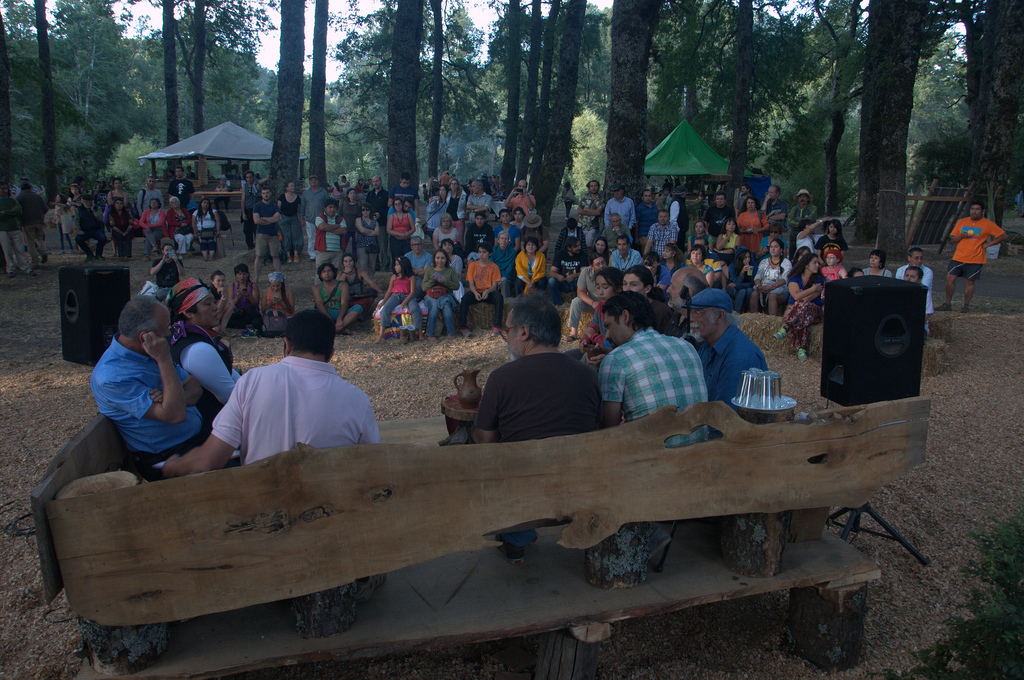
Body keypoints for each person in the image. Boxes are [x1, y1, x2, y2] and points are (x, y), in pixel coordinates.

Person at [162, 309, 379, 476]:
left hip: (262, 518)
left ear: (287, 345)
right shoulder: (358, 400)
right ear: (331, 354)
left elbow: (208, 461)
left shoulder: (252, 381)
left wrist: (175, 466)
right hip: (328, 519)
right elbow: (371, 469)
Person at [474, 295, 602, 563]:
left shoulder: (502, 378)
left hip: (525, 487)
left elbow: (485, 441)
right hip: (580, 484)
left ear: (524, 332)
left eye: (507, 331)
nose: (507, 338)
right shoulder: (588, 375)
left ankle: (515, 539)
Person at [90, 296, 204, 482]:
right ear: (145, 337)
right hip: (167, 458)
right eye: (164, 329)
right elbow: (175, 415)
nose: (168, 333)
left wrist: (175, 396)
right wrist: (164, 359)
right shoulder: (112, 377)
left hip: (194, 440)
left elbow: (194, 385)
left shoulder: (145, 351)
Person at [598, 291, 707, 448]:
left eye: (609, 326)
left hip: (651, 463)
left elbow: (609, 432)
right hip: (700, 455)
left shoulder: (616, 360)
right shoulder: (687, 347)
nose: (607, 335)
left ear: (625, 317)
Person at [167, 278, 240, 426]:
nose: (215, 308)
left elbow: (232, 376)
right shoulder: (197, 349)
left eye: (214, 302)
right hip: (210, 431)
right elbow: (231, 397)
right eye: (208, 303)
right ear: (188, 312)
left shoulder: (180, 337)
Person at [688, 288, 767, 408]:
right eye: (692, 312)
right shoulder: (708, 345)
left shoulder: (739, 357)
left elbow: (725, 417)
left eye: (698, 312)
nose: (691, 319)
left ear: (720, 316)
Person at [937, 200, 1006, 313]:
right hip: (959, 257)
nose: (974, 211)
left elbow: (1003, 235)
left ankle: (965, 305)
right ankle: (947, 304)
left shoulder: (987, 224)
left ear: (982, 211)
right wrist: (961, 235)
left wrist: (988, 244)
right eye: (972, 209)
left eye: (977, 209)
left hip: (975, 258)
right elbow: (953, 239)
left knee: (970, 282)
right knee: (950, 278)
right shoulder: (962, 222)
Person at [773, 252, 824, 361]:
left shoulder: (818, 279)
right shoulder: (794, 278)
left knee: (802, 306)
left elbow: (808, 299)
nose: (818, 265)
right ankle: (801, 348)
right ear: (806, 265)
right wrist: (812, 289)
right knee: (801, 318)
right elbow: (796, 295)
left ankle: (787, 327)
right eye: (815, 263)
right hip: (801, 311)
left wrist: (795, 306)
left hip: (814, 310)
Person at [459, 243, 504, 337]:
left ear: (490, 253)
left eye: (484, 252)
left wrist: (487, 291)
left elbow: (494, 285)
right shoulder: (472, 266)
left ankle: (497, 326)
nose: (481, 254)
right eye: (479, 252)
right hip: (476, 291)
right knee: (464, 299)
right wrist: (475, 293)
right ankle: (463, 327)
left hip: (489, 292)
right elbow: (471, 284)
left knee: (499, 298)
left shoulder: (494, 267)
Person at [377, 256, 420, 343]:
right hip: (395, 295)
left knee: (415, 309)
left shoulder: (411, 277)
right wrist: (384, 302)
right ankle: (381, 334)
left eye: (397, 265)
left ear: (403, 266)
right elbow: (389, 291)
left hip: (407, 296)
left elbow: (412, 292)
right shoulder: (394, 277)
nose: (395, 267)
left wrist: (405, 302)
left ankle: (419, 333)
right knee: (386, 309)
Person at [566, 252, 607, 342]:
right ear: (592, 266)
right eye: (598, 264)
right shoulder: (586, 272)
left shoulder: (610, 272)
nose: (601, 266)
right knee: (576, 301)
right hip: (593, 302)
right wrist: (592, 303)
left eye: (603, 262)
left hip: (607, 303)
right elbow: (580, 292)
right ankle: (573, 333)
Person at [422, 248, 460, 340]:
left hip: (445, 294)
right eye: (438, 258)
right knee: (434, 306)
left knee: (446, 304)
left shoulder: (450, 270)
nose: (440, 261)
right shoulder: (430, 270)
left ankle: (451, 332)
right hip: (431, 295)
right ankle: (430, 334)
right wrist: (432, 280)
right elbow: (423, 287)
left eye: (442, 258)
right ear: (434, 259)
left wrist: (445, 281)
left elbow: (456, 286)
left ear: (446, 259)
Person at [623, 265, 672, 334]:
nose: (627, 289)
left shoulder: (660, 311)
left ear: (647, 288)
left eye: (633, 284)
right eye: (625, 284)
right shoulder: (624, 308)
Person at [0, 182, 33, 277]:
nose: (4, 191)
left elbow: (19, 211)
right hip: (3, 229)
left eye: (5, 189)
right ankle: (10, 268)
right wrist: (11, 212)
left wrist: (4, 212)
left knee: (20, 249)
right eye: (2, 189)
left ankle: (26, 267)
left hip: (15, 228)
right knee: (7, 250)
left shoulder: (12, 201)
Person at [16, 180, 48, 267]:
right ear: (30, 188)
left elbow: (17, 211)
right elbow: (45, 209)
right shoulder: (37, 196)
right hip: (39, 221)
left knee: (30, 242)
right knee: (40, 238)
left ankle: (35, 261)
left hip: (27, 223)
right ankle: (43, 252)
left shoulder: (19, 198)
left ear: (21, 189)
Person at [253, 186, 282, 280]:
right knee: (259, 255)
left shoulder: (274, 206)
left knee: (275, 255)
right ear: (261, 194)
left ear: (270, 193)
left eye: (267, 192)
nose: (266, 195)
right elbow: (256, 220)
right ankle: (256, 277)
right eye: (264, 193)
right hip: (261, 233)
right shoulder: (257, 206)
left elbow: (277, 218)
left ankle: (279, 276)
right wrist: (271, 220)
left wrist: (264, 218)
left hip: (273, 233)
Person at [895, 247, 934, 315]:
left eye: (921, 258)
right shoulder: (900, 270)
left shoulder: (928, 271)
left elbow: (921, 287)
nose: (919, 261)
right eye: (916, 258)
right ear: (909, 258)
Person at [548, 236, 584, 307]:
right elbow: (552, 272)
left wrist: (574, 276)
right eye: (576, 246)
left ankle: (577, 305)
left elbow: (584, 272)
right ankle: (558, 306)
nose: (579, 248)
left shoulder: (583, 254)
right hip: (563, 282)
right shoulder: (560, 254)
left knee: (582, 280)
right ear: (569, 248)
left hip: (576, 282)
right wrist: (558, 276)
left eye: (579, 245)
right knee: (551, 281)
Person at [300, 175, 329, 262]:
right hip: (309, 218)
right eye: (311, 180)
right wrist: (302, 218)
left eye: (315, 180)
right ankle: (312, 255)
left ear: (318, 181)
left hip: (321, 218)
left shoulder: (323, 192)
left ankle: (321, 252)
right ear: (309, 182)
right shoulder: (306, 193)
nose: (313, 181)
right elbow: (303, 206)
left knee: (321, 236)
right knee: (311, 237)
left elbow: (327, 204)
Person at [226, 263, 262, 332]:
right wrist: (238, 297)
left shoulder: (253, 285)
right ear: (236, 275)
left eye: (244, 274)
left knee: (256, 318)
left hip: (250, 312)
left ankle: (241, 325)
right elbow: (230, 304)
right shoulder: (232, 286)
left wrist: (248, 295)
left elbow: (256, 303)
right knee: (227, 319)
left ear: (247, 274)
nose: (242, 277)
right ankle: (245, 326)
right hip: (238, 313)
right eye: (239, 274)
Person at [75, 193, 107, 261]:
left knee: (103, 238)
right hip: (85, 230)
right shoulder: (79, 209)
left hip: (96, 229)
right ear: (82, 201)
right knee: (78, 239)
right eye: (86, 201)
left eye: (89, 201)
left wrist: (93, 211)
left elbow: (100, 218)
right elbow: (77, 220)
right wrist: (78, 229)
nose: (88, 203)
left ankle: (98, 255)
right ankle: (89, 254)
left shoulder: (97, 208)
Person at [278, 181, 303, 263]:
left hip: (294, 218)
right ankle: (288, 255)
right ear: (287, 187)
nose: (292, 187)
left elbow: (298, 209)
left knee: (296, 235)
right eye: (291, 186)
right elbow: (278, 208)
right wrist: (279, 215)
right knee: (286, 236)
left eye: (293, 186)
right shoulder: (282, 197)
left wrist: (301, 218)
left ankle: (296, 254)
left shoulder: (297, 198)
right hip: (284, 218)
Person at [762, 185, 790, 257]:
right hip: (766, 231)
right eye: (769, 192)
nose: (769, 194)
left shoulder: (782, 204)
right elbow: (762, 214)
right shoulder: (765, 202)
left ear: (777, 194)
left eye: (772, 192)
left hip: (777, 230)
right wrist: (765, 201)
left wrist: (769, 217)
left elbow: (782, 216)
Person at [577, 180, 605, 248]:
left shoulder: (601, 199)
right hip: (581, 224)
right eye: (592, 186)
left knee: (589, 245)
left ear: (598, 187)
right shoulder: (584, 198)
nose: (593, 188)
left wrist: (586, 210)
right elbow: (579, 211)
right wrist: (593, 212)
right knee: (579, 245)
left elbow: (598, 212)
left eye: (595, 186)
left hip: (592, 226)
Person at [386, 193, 414, 259]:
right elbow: (388, 230)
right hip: (395, 240)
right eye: (396, 204)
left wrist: (407, 234)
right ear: (394, 206)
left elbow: (413, 228)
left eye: (399, 204)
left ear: (402, 204)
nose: (398, 205)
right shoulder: (391, 216)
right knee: (396, 258)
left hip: (406, 239)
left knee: (406, 258)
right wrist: (398, 234)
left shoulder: (408, 215)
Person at [193, 197, 221, 262]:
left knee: (212, 243)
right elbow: (193, 223)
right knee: (203, 243)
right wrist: (195, 232)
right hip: (201, 230)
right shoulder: (196, 212)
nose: (206, 204)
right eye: (204, 203)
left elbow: (218, 220)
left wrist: (218, 230)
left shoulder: (213, 211)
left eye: (207, 203)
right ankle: (205, 257)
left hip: (211, 230)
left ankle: (211, 257)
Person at [491, 230, 517, 298]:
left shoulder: (513, 252)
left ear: (509, 241)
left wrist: (502, 279)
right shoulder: (492, 250)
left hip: (507, 277)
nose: (504, 240)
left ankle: (506, 302)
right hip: (494, 277)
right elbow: (491, 266)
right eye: (502, 238)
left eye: (506, 239)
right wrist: (497, 279)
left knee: (504, 283)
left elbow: (511, 268)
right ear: (498, 240)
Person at [106, 197, 133, 261]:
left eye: (121, 203)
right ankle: (121, 255)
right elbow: (112, 225)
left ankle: (127, 255)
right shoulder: (111, 214)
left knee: (128, 237)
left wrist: (126, 232)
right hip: (117, 230)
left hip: (127, 230)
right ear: (114, 204)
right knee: (119, 237)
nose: (119, 205)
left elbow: (131, 223)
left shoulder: (127, 213)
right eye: (117, 203)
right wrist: (121, 233)